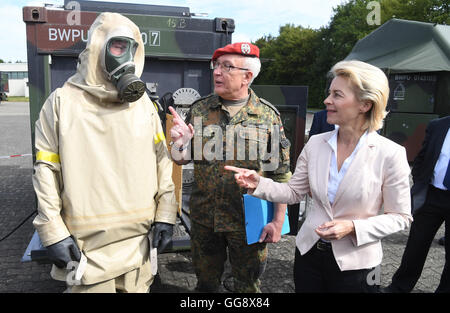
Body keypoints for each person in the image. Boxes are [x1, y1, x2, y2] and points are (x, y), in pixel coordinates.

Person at [225, 60, 413, 293]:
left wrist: (353, 227)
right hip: (309, 254)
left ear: (365, 104)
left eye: (337, 95)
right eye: (329, 93)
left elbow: (400, 217)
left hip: (357, 265)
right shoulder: (316, 144)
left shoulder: (390, 154)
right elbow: (293, 192)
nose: (327, 100)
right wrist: (258, 183)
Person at [32, 12, 178, 293]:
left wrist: (166, 215)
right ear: (97, 47)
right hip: (88, 253)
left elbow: (162, 161)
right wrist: (53, 232)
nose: (125, 58)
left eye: (131, 49)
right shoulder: (62, 102)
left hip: (139, 249)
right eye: (118, 47)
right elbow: (46, 170)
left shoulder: (144, 105)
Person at [169, 42, 292, 292]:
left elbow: (280, 176)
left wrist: (278, 221)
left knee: (247, 286)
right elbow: (181, 159)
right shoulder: (200, 109)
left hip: (248, 222)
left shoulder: (268, 117)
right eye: (216, 65)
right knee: (205, 285)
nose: (216, 72)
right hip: (205, 221)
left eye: (226, 67)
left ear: (247, 76)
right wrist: (180, 145)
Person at [383, 116, 450, 293]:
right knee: (416, 246)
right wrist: (420, 181)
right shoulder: (439, 125)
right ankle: (399, 287)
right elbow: (422, 156)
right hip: (432, 196)